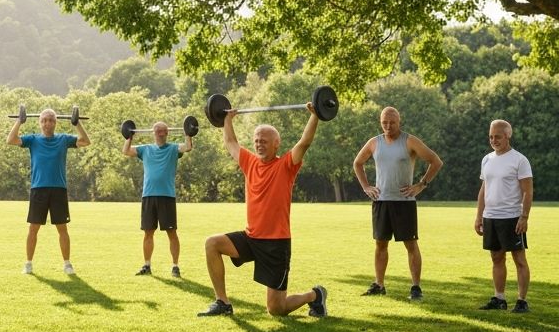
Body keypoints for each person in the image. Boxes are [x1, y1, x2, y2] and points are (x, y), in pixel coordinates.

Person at [199, 103, 327, 318]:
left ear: (276, 144)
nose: (259, 144)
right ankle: (222, 302)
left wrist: (315, 115)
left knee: (276, 310)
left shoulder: (287, 165)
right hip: (251, 238)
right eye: (256, 140)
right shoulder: (249, 162)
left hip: (276, 244)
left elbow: (304, 143)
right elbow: (230, 142)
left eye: (264, 141)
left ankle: (315, 296)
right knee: (212, 243)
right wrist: (227, 120)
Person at [352, 106, 443, 300]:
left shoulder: (409, 141)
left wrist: (421, 185)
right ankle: (379, 284)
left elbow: (435, 161)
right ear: (380, 122)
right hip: (381, 201)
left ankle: (416, 287)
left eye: (392, 122)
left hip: (404, 202)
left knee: (411, 245)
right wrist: (366, 187)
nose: (388, 126)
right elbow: (357, 163)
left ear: (398, 122)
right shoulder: (374, 142)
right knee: (380, 244)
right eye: (384, 122)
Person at [7, 108, 90, 275]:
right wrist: (19, 122)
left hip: (58, 189)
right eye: (44, 120)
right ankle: (28, 263)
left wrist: (77, 123)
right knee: (33, 228)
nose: (47, 123)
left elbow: (85, 141)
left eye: (51, 120)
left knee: (62, 228)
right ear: (40, 123)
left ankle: (67, 264)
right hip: (39, 189)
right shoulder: (33, 139)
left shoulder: (63, 139)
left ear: (55, 122)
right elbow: (11, 140)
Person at [475, 119, 533, 313]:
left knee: (519, 259)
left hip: (512, 217)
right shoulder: (486, 159)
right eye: (491, 136)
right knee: (497, 258)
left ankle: (521, 301)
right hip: (491, 217)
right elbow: (484, 190)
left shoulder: (519, 160)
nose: (493, 140)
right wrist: (479, 216)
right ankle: (499, 298)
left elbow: (527, 191)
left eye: (497, 136)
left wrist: (524, 217)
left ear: (507, 136)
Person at [123, 121, 193, 277]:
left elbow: (187, 147)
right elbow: (126, 151)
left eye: (164, 131)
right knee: (148, 233)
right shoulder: (145, 149)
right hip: (149, 195)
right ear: (153, 133)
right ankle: (147, 265)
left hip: (167, 196)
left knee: (172, 233)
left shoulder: (174, 149)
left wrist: (188, 133)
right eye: (158, 131)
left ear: (167, 133)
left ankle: (175, 266)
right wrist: (129, 137)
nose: (161, 133)